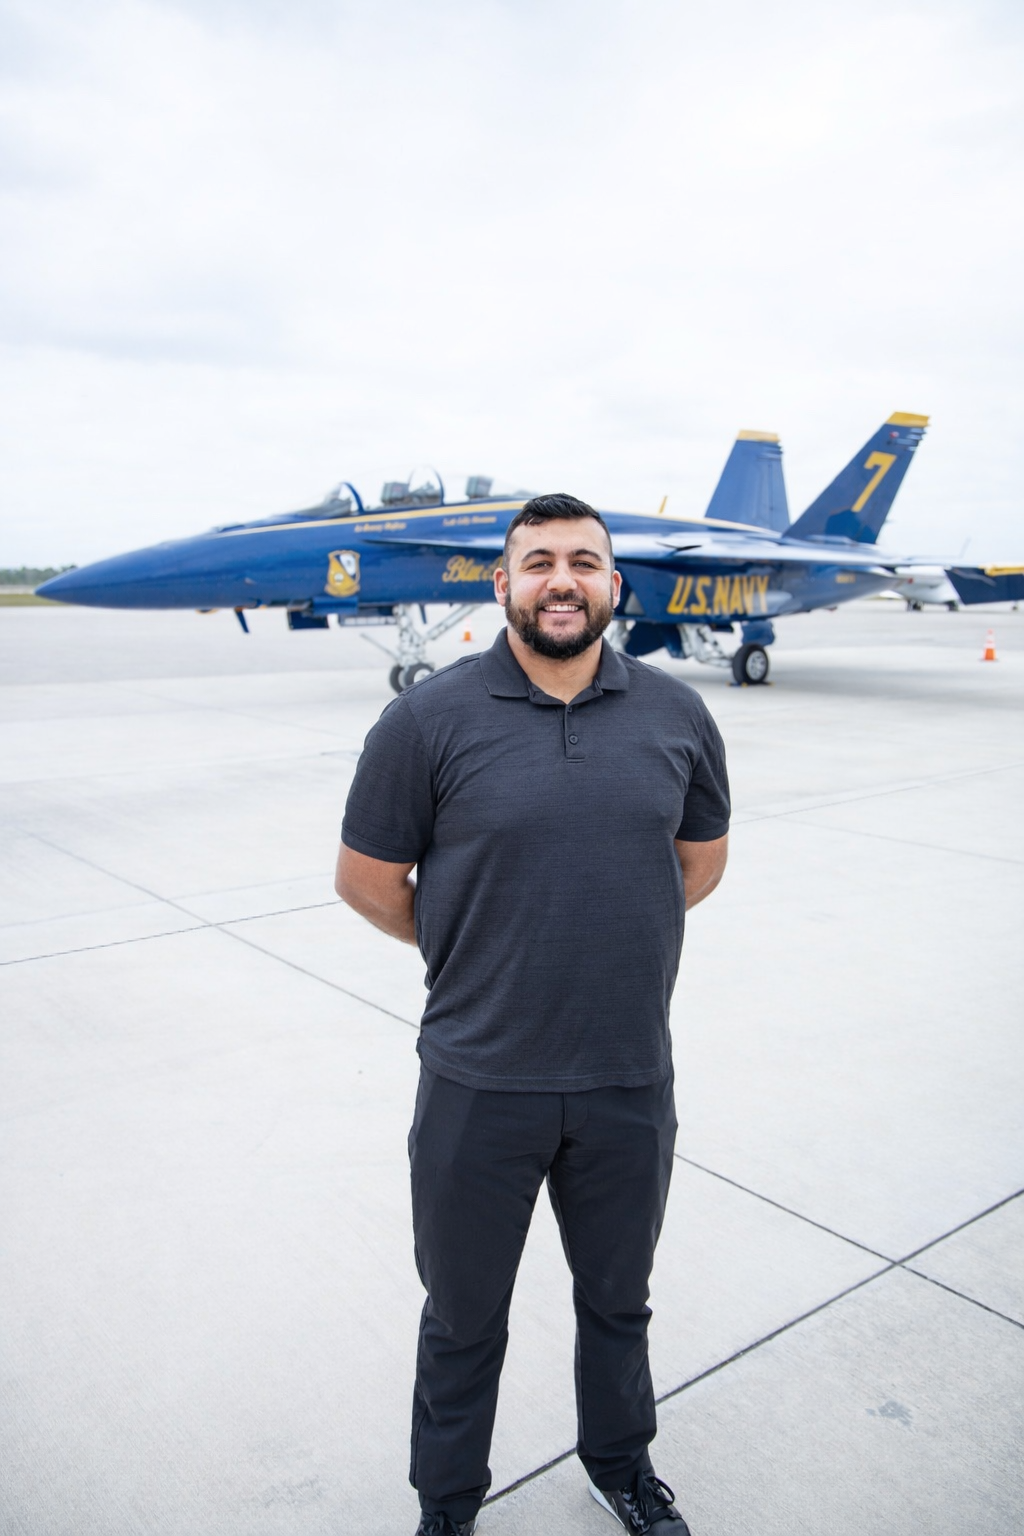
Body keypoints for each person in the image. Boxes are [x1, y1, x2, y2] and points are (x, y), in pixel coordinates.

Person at [336, 493, 730, 1535]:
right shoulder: (427, 720)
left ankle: (621, 1467)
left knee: (617, 1301)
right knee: (463, 1317)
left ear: (615, 585)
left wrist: (590, 925)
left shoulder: (676, 714)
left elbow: (696, 863)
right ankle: (448, 1506)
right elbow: (368, 880)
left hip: (626, 1077)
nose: (564, 579)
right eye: (540, 561)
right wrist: (482, 944)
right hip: (478, 1081)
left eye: (585, 562)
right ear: (500, 583)